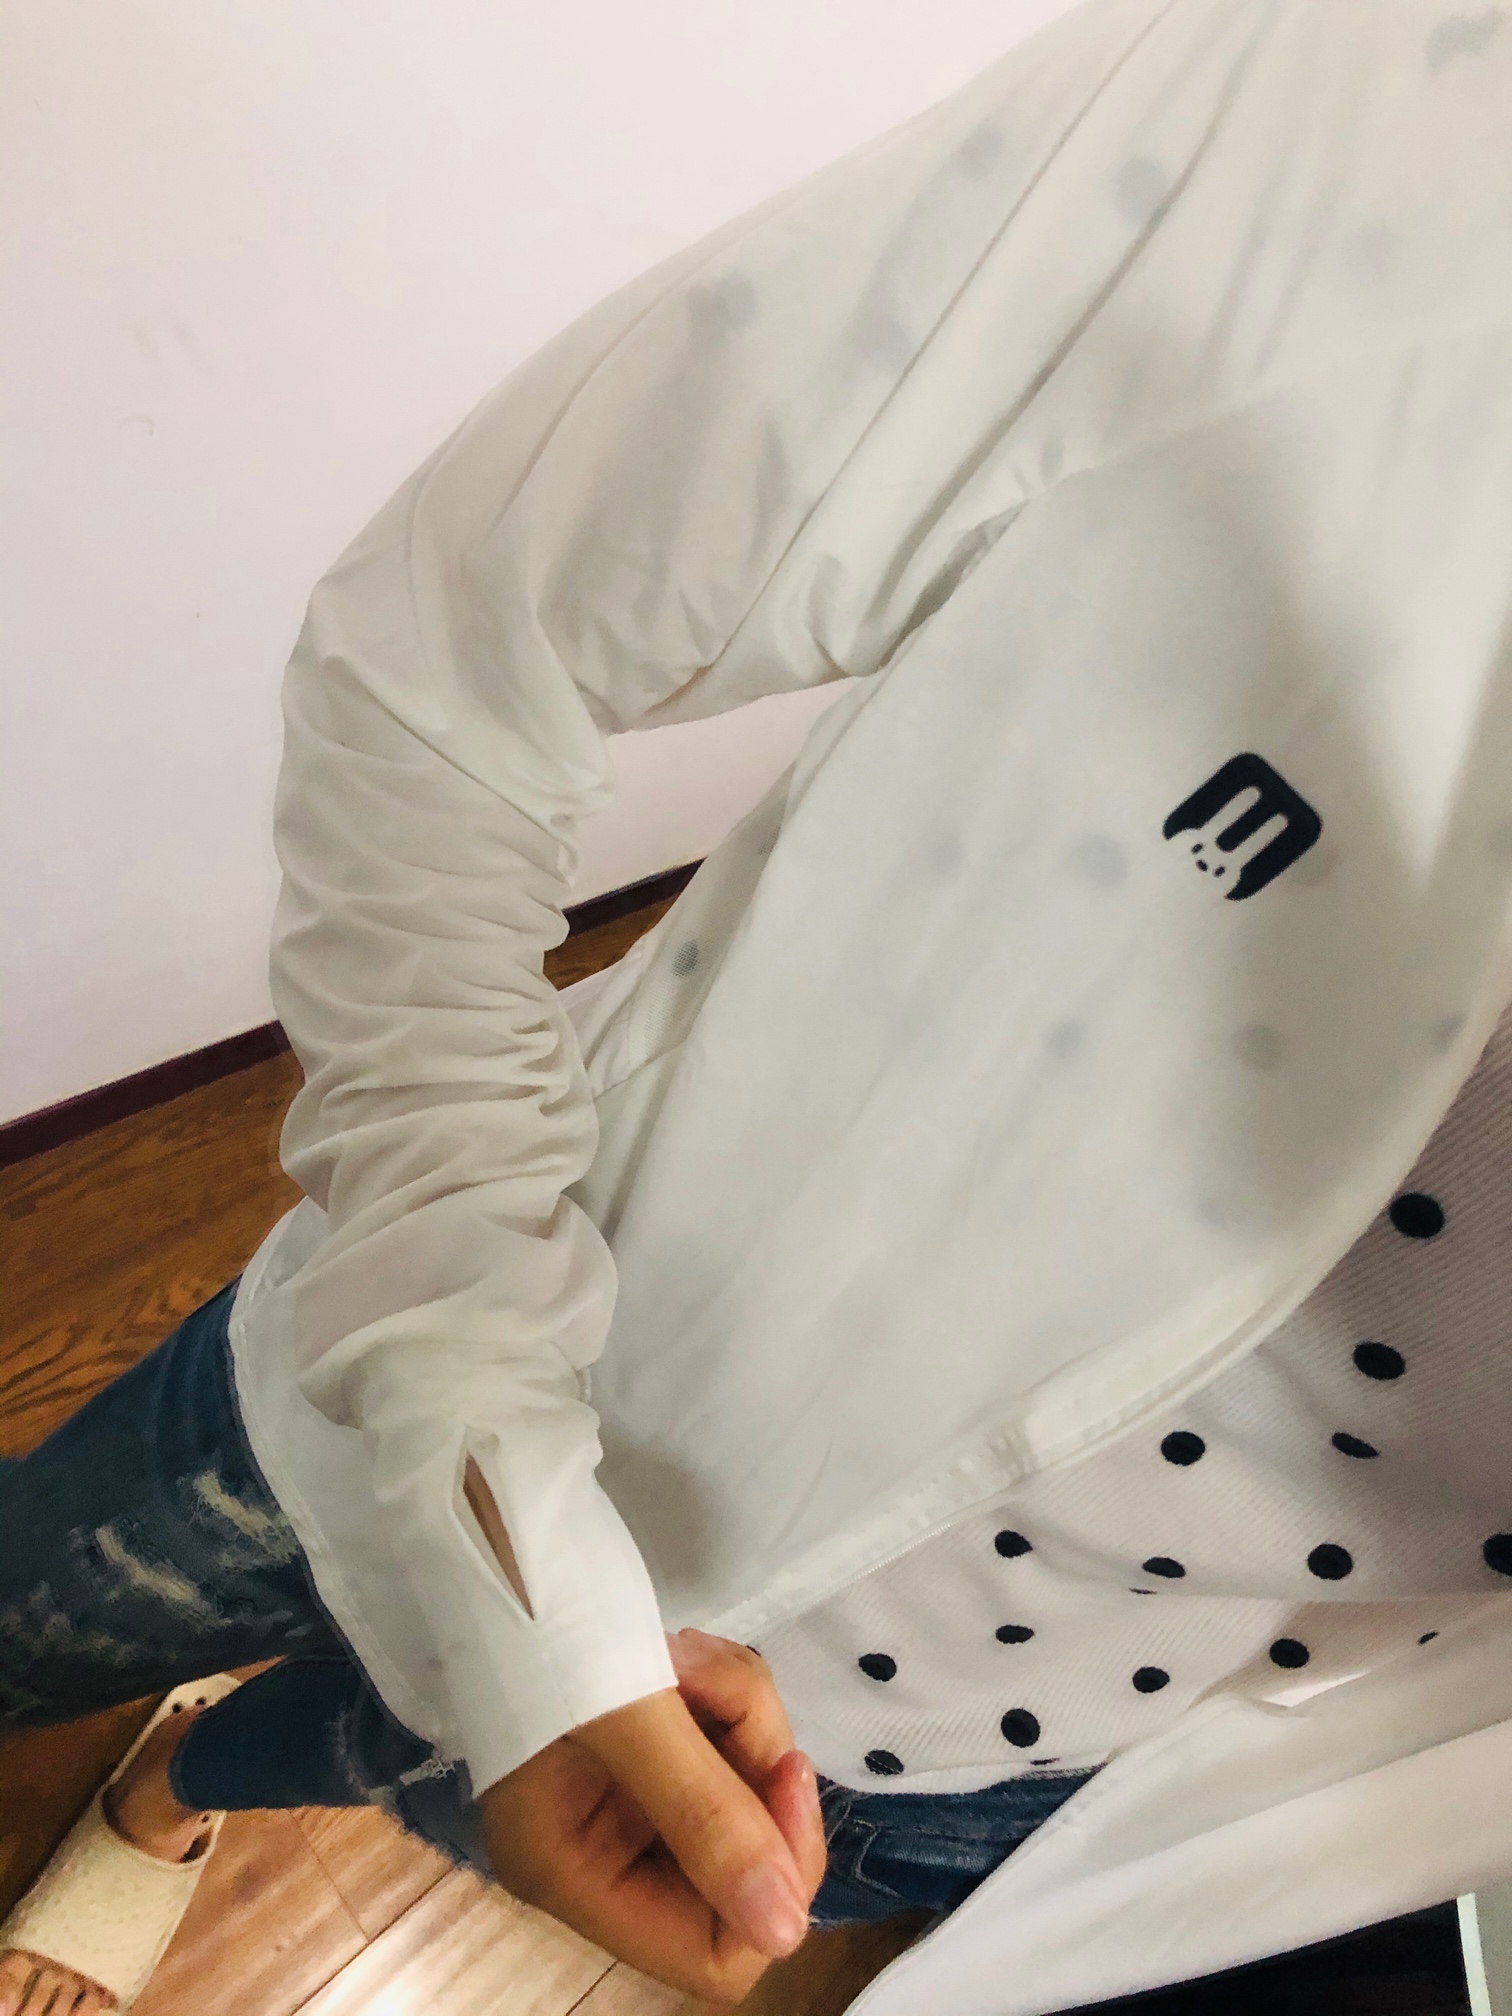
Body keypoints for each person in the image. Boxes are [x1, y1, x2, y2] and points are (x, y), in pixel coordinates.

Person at [8, 0, 1512, 2009]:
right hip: (465, 1357)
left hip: (950, 1763)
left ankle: (182, 1784)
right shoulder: (1428, 120)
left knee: (358, 1766)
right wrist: (500, 1510)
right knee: (31, 1611)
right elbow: (452, 661)